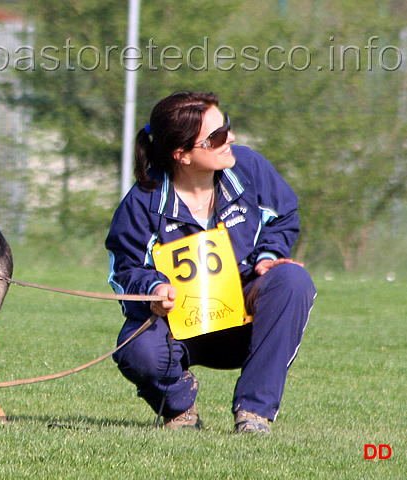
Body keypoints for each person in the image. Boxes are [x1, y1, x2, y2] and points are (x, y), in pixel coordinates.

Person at [105, 91, 316, 433]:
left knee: (292, 280)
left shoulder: (249, 167)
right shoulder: (141, 203)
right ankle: (179, 408)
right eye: (216, 137)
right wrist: (153, 288)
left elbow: (283, 216)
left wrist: (268, 257)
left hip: (244, 323)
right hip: (178, 327)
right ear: (182, 154)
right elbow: (124, 270)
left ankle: (253, 413)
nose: (230, 138)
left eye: (227, 127)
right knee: (136, 350)